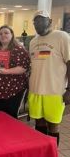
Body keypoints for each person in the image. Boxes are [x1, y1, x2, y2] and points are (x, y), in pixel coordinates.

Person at [28, 11, 70, 145]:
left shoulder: (62, 37)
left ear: (50, 21)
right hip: (35, 90)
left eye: (41, 20)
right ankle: (42, 155)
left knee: (53, 125)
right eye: (35, 22)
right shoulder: (33, 42)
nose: (38, 24)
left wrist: (69, 89)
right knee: (39, 123)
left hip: (55, 92)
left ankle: (53, 155)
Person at [0, 25, 30, 118]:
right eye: (0, 34)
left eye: (6, 33)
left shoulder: (19, 50)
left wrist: (7, 71)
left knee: (9, 117)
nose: (3, 35)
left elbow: (23, 68)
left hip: (13, 90)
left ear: (12, 34)